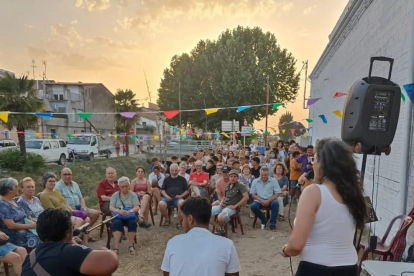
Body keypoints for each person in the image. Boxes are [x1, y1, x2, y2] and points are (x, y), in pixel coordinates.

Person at [281, 138, 366, 276]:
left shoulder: (313, 192)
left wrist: (286, 250)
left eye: (314, 159)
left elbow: (296, 246)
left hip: (316, 268)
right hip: (349, 268)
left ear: (322, 163)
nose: (312, 164)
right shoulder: (354, 194)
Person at [21, 209, 118, 276]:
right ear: (67, 232)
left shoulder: (30, 257)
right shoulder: (69, 251)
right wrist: (102, 249)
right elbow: (111, 261)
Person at [161, 197, 241, 276]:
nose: (182, 223)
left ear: (190, 219)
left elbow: (167, 273)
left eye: (182, 219)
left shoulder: (173, 243)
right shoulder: (227, 245)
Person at [110, 176, 150, 255]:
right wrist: (118, 211)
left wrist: (130, 211)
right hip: (119, 214)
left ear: (129, 186)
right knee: (117, 223)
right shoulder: (115, 195)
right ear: (119, 187)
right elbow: (111, 207)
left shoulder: (133, 195)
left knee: (132, 222)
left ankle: (131, 246)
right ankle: (116, 247)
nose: (124, 188)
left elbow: (137, 207)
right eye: (122, 187)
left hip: (130, 214)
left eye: (126, 186)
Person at [0, 178, 40, 249]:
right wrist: (31, 226)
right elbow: (11, 226)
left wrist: (33, 221)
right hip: (15, 234)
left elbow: (24, 216)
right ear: (10, 190)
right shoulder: (3, 204)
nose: (18, 189)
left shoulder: (13, 200)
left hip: (25, 229)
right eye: (16, 187)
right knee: (41, 239)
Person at [210, 170, 248, 234]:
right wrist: (221, 202)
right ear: (229, 177)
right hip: (224, 205)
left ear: (237, 177)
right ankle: (219, 228)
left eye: (235, 176)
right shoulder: (228, 186)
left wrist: (235, 206)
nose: (233, 178)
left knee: (220, 217)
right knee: (206, 213)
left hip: (232, 207)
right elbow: (225, 197)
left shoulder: (241, 186)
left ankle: (219, 229)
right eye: (231, 176)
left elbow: (246, 197)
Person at [250, 167, 282, 232]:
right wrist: (261, 200)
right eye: (262, 175)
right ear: (259, 174)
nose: (264, 176)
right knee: (253, 206)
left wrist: (269, 200)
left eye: (265, 175)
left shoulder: (273, 181)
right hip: (259, 200)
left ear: (268, 174)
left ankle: (272, 224)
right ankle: (263, 219)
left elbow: (277, 193)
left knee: (275, 203)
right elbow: (253, 194)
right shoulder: (255, 181)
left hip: (270, 199)